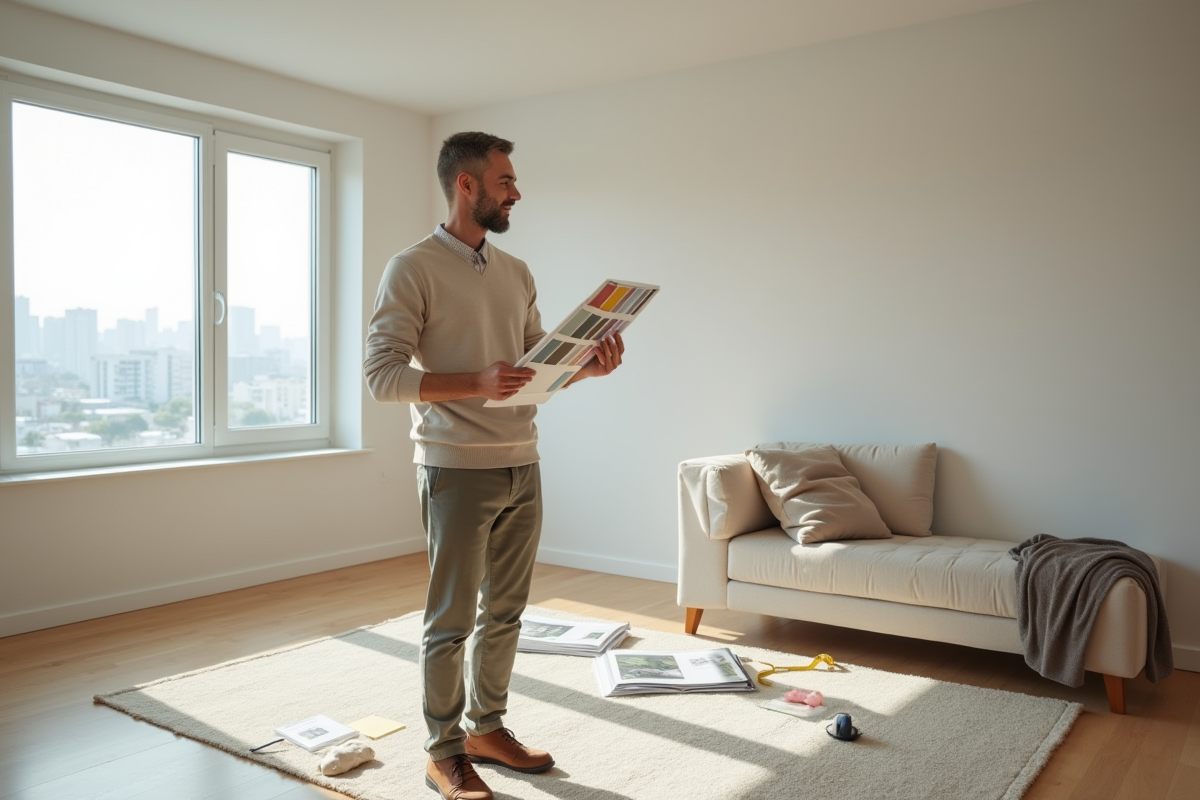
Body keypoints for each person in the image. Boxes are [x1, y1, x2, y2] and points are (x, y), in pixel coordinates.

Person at [364, 131, 625, 800]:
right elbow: (383, 377)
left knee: (505, 611)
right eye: (505, 179)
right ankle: (443, 751)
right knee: (450, 619)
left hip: (521, 461)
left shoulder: (516, 271)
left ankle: (488, 727)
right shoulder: (412, 267)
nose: (517, 191)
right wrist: (475, 382)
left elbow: (534, 368)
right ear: (467, 186)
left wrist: (588, 369)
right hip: (455, 466)